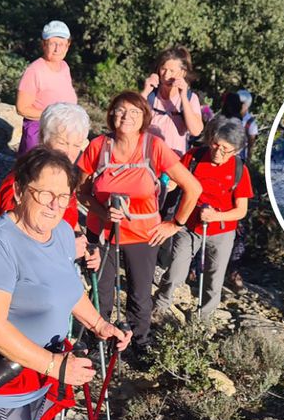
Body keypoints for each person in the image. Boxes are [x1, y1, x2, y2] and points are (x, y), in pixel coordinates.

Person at [0, 148, 131, 420]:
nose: (55, 205)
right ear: (19, 191)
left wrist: (99, 325)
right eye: (45, 193)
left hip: (41, 377)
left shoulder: (59, 232)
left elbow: (67, 289)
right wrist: (57, 367)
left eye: (63, 197)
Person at [76, 92, 202, 365]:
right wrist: (101, 211)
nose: (126, 117)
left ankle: (140, 342)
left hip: (145, 234)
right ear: (111, 114)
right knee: (102, 291)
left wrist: (175, 224)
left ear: (145, 117)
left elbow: (193, 187)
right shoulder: (98, 146)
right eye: (121, 111)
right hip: (103, 233)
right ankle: (99, 342)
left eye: (134, 112)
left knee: (140, 295)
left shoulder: (153, 147)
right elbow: (81, 191)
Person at [154, 117, 253, 322]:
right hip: (188, 225)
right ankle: (160, 305)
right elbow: (175, 180)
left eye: (226, 149)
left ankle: (203, 319)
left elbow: (241, 210)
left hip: (222, 231)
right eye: (215, 144)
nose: (218, 151)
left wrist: (216, 216)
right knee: (176, 270)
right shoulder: (193, 157)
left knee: (214, 278)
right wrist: (165, 184)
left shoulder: (239, 170)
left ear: (236, 150)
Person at [0, 102, 99, 270]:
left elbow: (69, 218)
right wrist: (66, 249)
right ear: (43, 136)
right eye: (63, 142)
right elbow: (10, 239)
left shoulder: (64, 179)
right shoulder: (22, 179)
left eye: (76, 145)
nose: (69, 152)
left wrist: (85, 245)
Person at [15, 20, 78, 156]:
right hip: (39, 133)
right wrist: (54, 114)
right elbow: (22, 108)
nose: (57, 49)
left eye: (61, 44)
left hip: (61, 133)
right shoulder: (34, 71)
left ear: (67, 46)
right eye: (52, 43)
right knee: (34, 173)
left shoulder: (64, 67)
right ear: (43, 45)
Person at [218, 89, 259, 289]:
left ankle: (197, 268)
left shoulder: (218, 119)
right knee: (237, 223)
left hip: (228, 173)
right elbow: (250, 149)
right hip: (236, 173)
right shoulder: (249, 123)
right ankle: (232, 271)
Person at [140, 45, 204, 157]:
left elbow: (196, 131)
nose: (166, 75)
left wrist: (183, 96)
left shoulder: (190, 98)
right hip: (147, 160)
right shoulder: (150, 95)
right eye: (163, 69)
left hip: (175, 162)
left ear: (183, 73)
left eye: (172, 71)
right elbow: (129, 120)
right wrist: (145, 92)